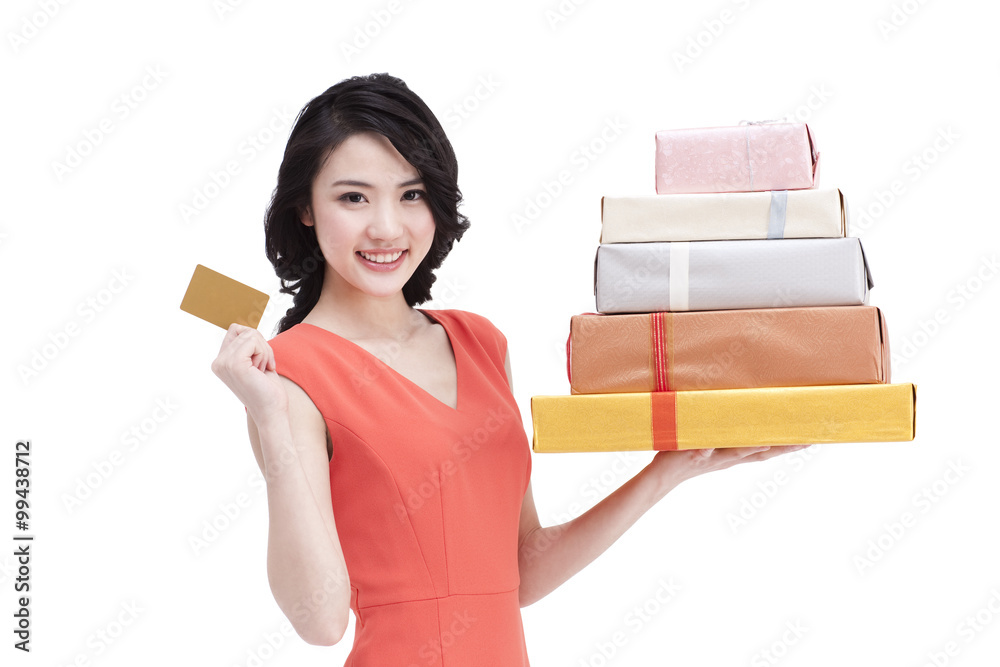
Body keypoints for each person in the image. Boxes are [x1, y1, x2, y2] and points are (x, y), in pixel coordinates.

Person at [210, 72, 808, 665]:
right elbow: (319, 621)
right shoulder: (288, 375)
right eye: (353, 197)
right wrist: (267, 415)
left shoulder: (479, 341)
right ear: (306, 210)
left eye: (411, 194)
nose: (387, 228)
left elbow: (518, 572)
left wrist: (666, 471)